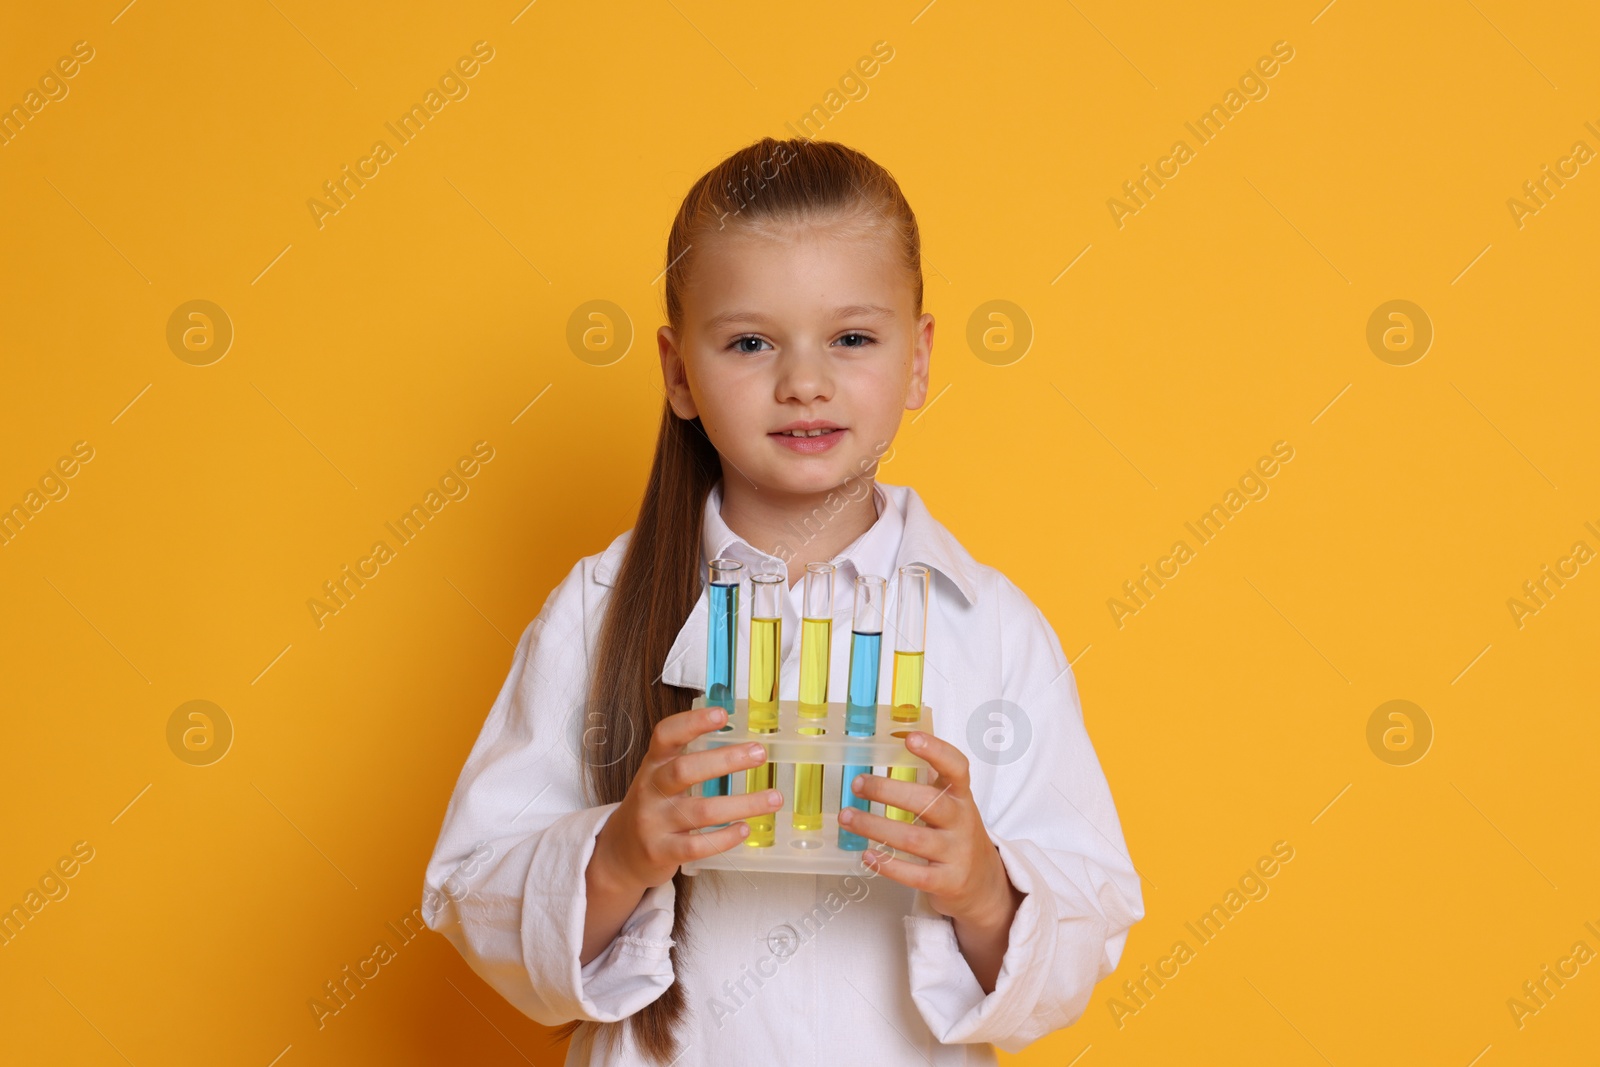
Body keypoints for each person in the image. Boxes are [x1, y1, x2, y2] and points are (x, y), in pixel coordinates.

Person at [421, 136, 1144, 1065]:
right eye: (751, 341)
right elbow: (474, 889)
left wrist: (983, 891)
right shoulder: (601, 608)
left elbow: (1088, 923)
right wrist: (620, 853)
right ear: (679, 372)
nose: (804, 381)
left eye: (852, 337)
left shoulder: (994, 629)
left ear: (918, 358)